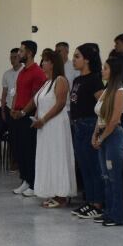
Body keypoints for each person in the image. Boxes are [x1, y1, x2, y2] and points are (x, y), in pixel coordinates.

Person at [31, 50, 74, 207]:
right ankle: (52, 191)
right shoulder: (47, 82)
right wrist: (37, 117)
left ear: (53, 63)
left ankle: (61, 195)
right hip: (45, 126)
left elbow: (60, 104)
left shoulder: (60, 80)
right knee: (48, 157)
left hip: (55, 125)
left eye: (46, 61)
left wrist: (43, 119)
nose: (42, 63)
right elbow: (40, 103)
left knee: (57, 157)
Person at [70, 44, 106, 220]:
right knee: (84, 165)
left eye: (77, 56)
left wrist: (98, 130)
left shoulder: (94, 79)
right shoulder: (77, 80)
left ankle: (97, 203)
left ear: (87, 60)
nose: (73, 60)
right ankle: (89, 200)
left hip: (89, 124)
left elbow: (102, 105)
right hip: (77, 125)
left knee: (93, 166)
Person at [93, 52, 123, 226]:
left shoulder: (120, 92)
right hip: (103, 135)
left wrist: (102, 137)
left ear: (113, 71)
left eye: (106, 68)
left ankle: (118, 215)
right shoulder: (106, 90)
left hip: (113, 137)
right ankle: (108, 212)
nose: (102, 71)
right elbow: (100, 116)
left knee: (114, 177)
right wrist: (95, 135)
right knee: (105, 176)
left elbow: (114, 120)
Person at [10, 40, 47, 196]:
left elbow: (35, 97)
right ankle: (25, 179)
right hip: (17, 115)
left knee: (29, 151)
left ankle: (33, 183)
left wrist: (24, 112)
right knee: (20, 150)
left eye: (21, 51)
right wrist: (13, 109)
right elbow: (17, 93)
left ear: (30, 53)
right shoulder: (22, 71)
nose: (19, 53)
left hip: (28, 115)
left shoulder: (37, 72)